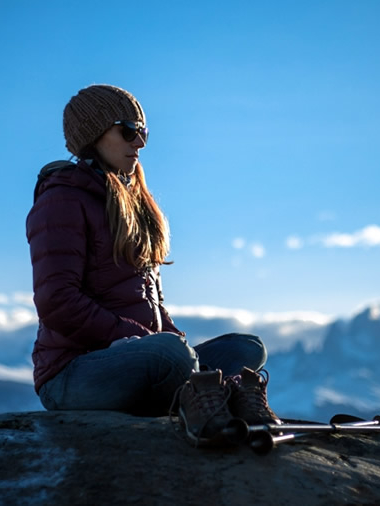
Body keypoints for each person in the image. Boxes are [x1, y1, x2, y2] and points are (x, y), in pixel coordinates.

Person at [26, 84, 280, 446]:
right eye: (128, 131)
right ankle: (208, 399)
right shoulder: (61, 201)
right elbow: (57, 301)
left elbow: (151, 305)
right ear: (93, 135)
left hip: (140, 358)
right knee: (169, 355)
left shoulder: (132, 203)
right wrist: (139, 341)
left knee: (248, 349)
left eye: (143, 132)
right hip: (73, 373)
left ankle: (207, 392)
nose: (140, 143)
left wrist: (171, 342)